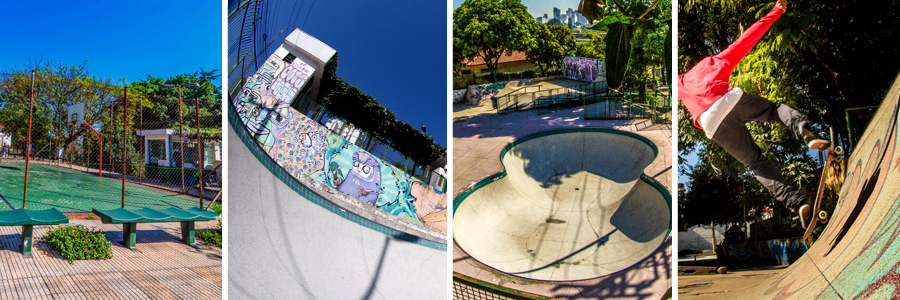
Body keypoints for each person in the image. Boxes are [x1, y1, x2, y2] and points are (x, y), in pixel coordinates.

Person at [678, 0, 828, 229]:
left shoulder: (680, 83)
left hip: (710, 123)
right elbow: (747, 38)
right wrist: (776, 11)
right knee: (774, 110)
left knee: (755, 163)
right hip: (729, 100)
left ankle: (797, 203)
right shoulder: (717, 60)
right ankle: (805, 133)